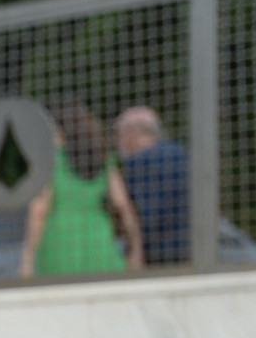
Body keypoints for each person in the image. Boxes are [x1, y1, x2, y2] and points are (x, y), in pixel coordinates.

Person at [19, 100, 143, 279]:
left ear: (61, 131)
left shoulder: (50, 162)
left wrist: (28, 258)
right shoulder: (103, 159)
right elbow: (123, 204)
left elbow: (39, 210)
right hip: (99, 240)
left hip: (60, 242)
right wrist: (136, 248)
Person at [113, 105, 191, 266]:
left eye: (120, 135)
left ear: (132, 133)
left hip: (158, 255)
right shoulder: (181, 155)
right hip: (191, 249)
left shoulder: (137, 164)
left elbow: (143, 216)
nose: (118, 142)